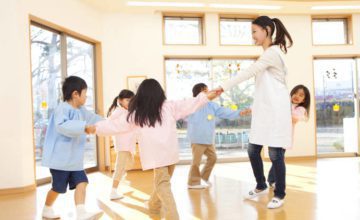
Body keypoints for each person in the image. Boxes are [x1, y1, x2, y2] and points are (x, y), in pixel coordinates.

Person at [95, 79, 219, 219]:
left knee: (162, 184)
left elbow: (117, 126)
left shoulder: (158, 109)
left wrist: (95, 128)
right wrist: (94, 128)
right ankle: (172, 216)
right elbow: (190, 103)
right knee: (163, 184)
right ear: (160, 93)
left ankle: (153, 204)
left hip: (161, 155)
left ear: (141, 95)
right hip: (167, 155)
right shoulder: (154, 110)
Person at [216, 15, 294, 209]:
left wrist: (221, 87)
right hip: (264, 112)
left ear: (267, 30)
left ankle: (280, 193)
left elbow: (248, 72)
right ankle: (261, 184)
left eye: (254, 31)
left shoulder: (272, 52)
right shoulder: (268, 54)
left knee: (276, 154)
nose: (252, 36)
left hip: (276, 113)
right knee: (253, 150)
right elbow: (263, 87)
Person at [41, 76, 103, 219]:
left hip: (75, 160)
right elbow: (62, 126)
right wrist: (84, 127)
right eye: (85, 93)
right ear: (75, 94)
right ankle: (47, 208)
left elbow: (94, 118)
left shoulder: (82, 110)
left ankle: (81, 213)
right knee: (58, 188)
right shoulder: (61, 109)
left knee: (82, 182)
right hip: (61, 160)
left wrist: (109, 123)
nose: (86, 97)